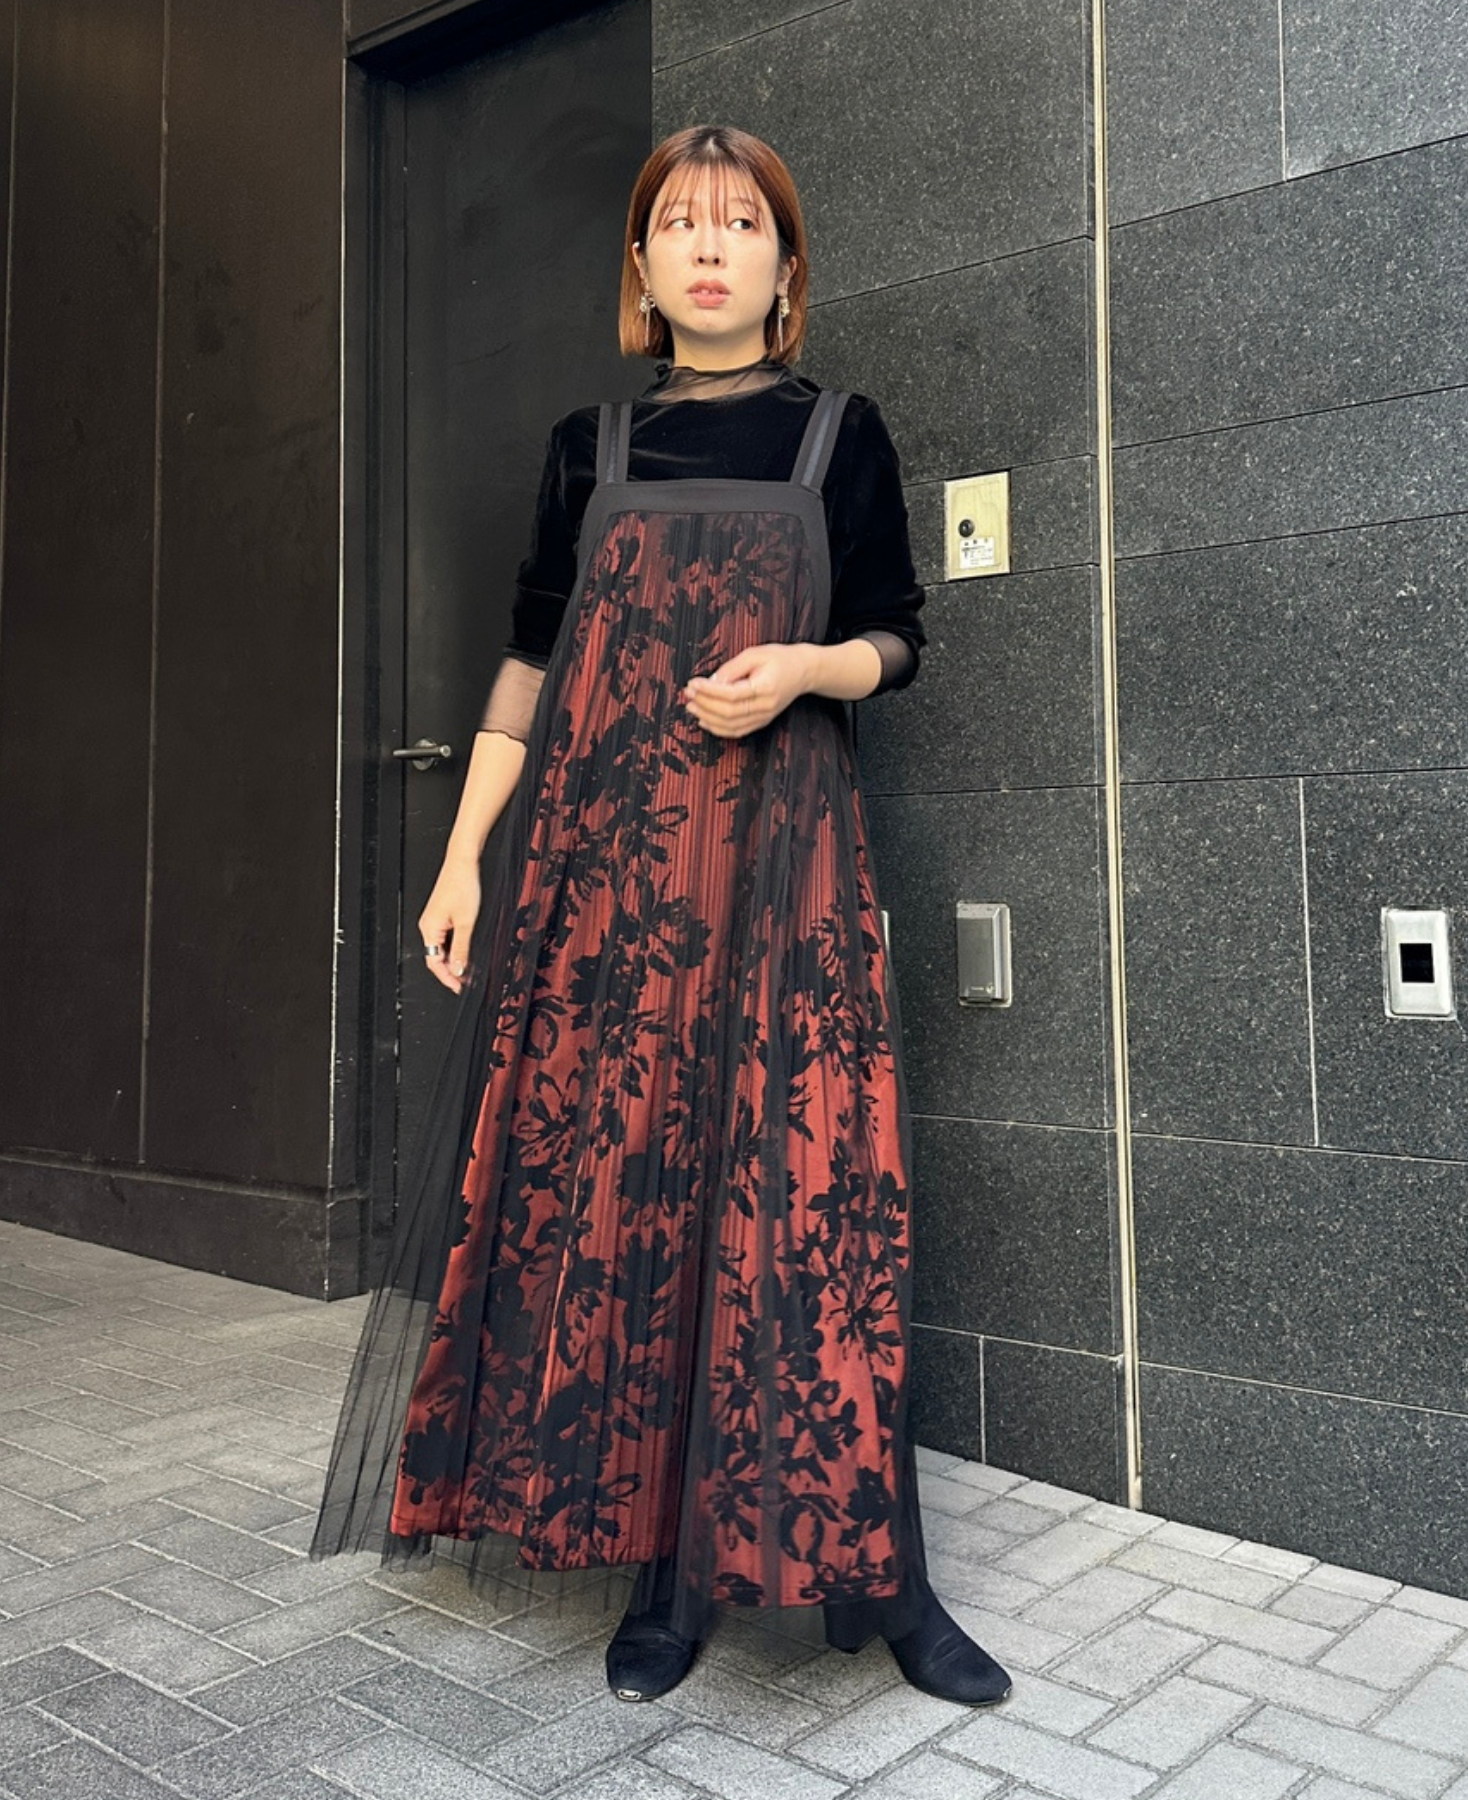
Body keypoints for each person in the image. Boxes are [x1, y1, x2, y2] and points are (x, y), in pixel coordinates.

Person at [309, 123, 1012, 1712]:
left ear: (785, 265)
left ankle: (886, 1580)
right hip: (612, 883)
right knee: (632, 1190)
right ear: (641, 266)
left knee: (815, 1210)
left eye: (741, 223)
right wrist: (462, 860)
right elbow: (530, 661)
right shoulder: (591, 446)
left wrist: (809, 669)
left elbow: (898, 635)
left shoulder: (840, 435)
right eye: (680, 224)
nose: (709, 246)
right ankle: (663, 1576)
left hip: (786, 872)